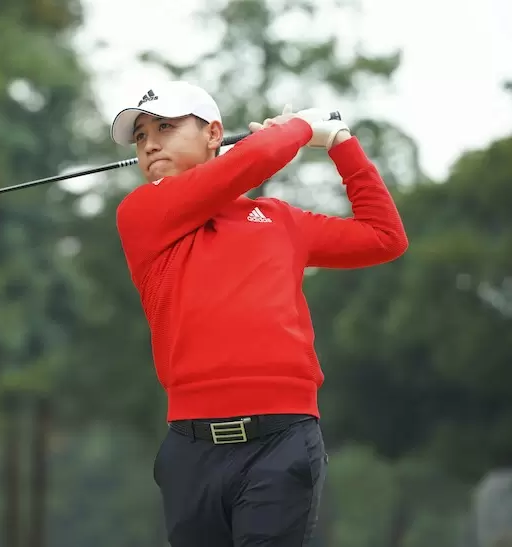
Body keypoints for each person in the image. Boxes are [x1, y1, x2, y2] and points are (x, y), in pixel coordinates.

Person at [110, 80, 408, 547]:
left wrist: (341, 143)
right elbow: (258, 157)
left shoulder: (279, 219)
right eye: (141, 135)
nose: (149, 144)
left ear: (213, 133)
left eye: (165, 127)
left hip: (282, 441)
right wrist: (299, 127)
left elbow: (384, 237)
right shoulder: (142, 212)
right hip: (191, 449)